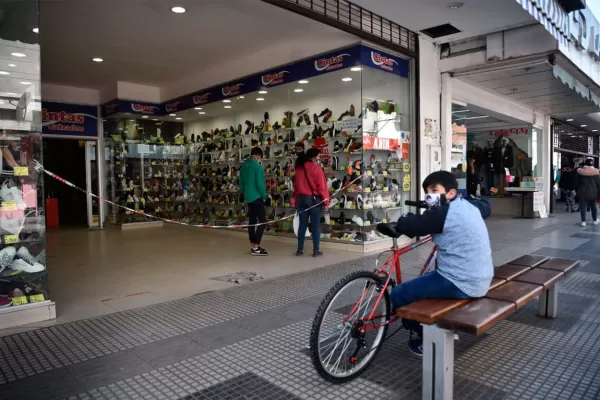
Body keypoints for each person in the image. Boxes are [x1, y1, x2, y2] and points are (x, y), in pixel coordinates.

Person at [387, 171, 493, 356]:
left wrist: (403, 219)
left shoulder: (443, 215)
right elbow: (486, 206)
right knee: (428, 282)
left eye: (434, 190)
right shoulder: (468, 206)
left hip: (461, 282)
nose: (430, 195)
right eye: (427, 191)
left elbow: (412, 224)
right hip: (481, 278)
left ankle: (426, 341)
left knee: (398, 294)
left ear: (451, 193)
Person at [292, 148, 329, 257]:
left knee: (302, 225)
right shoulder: (316, 169)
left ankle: (300, 249)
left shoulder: (299, 169)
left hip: (300, 200)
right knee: (315, 226)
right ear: (313, 158)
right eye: (318, 156)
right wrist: (326, 203)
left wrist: (295, 200)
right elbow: (322, 188)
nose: (319, 159)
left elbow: (296, 187)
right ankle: (316, 250)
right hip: (313, 201)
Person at [239, 147, 269, 256]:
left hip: (248, 197)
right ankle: (256, 247)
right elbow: (260, 184)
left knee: (252, 222)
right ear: (257, 156)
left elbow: (241, 185)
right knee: (262, 221)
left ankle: (253, 245)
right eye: (260, 158)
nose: (260, 160)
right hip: (257, 197)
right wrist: (264, 196)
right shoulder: (258, 167)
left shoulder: (243, 167)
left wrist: (246, 192)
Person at [575, 158, 600, 227]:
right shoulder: (596, 172)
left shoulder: (580, 172)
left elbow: (576, 183)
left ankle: (583, 222)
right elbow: (598, 183)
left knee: (583, 206)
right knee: (593, 206)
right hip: (593, 192)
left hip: (582, 192)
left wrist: (576, 190)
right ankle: (595, 220)